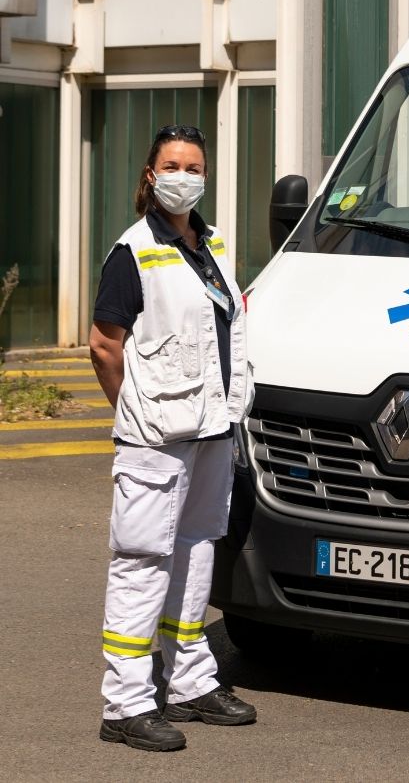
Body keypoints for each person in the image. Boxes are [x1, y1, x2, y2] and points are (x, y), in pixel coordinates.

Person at [89, 123, 255, 752]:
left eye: (194, 165)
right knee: (141, 561)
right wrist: (137, 414)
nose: (185, 175)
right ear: (151, 177)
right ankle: (126, 703)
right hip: (156, 435)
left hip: (211, 427)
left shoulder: (209, 245)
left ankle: (189, 683)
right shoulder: (133, 251)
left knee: (195, 551)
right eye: (173, 165)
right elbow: (105, 346)